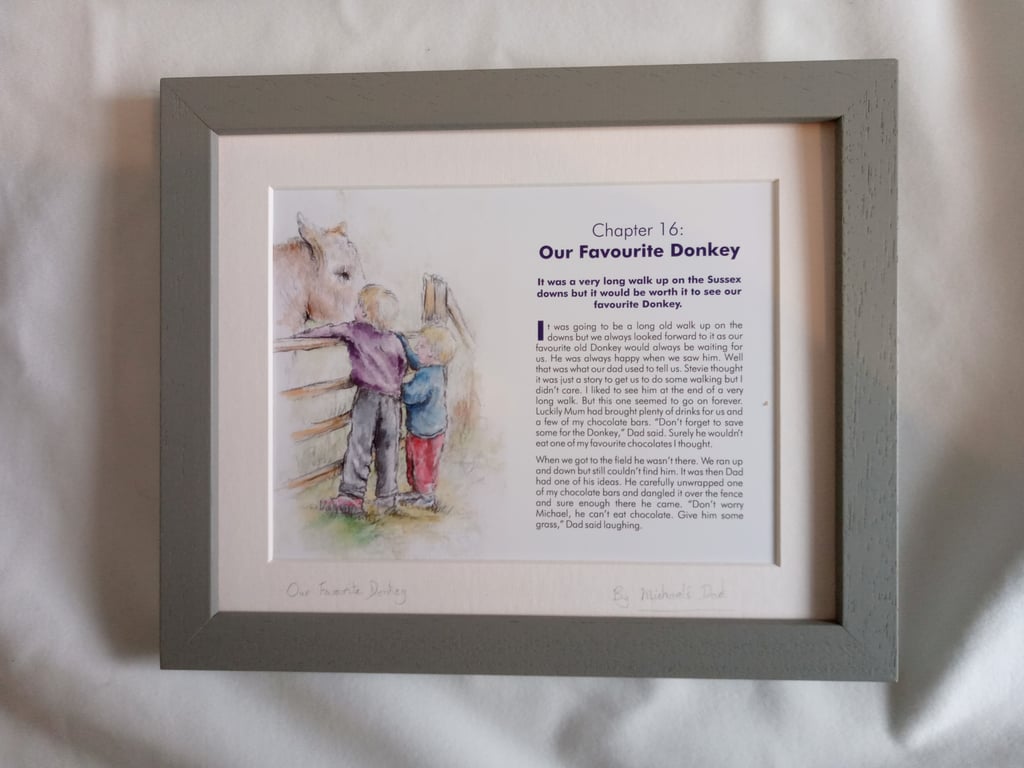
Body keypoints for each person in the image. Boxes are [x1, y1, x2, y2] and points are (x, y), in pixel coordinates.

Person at [295, 284, 406, 516]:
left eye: (358, 305)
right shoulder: (394, 340)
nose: (354, 308)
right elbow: (401, 367)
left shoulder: (355, 330)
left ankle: (352, 497)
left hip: (368, 397)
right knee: (388, 448)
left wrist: (300, 335)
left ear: (365, 313)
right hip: (393, 401)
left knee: (360, 445)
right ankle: (387, 498)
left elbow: (328, 331)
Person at [396, 325, 458, 509]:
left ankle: (425, 497)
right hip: (435, 428)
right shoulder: (435, 369)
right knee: (426, 463)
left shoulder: (426, 377)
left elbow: (410, 395)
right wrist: (404, 345)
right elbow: (417, 361)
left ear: (433, 354)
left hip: (423, 431)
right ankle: (421, 492)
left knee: (420, 462)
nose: (417, 349)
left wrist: (395, 385)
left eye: (421, 346)